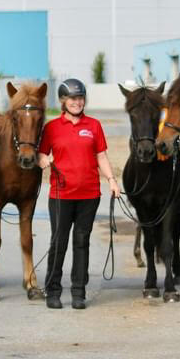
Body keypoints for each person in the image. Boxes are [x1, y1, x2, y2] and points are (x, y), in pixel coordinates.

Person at [37, 78, 121, 310]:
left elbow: (101, 156)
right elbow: (40, 154)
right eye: (72, 98)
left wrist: (112, 181)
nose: (77, 102)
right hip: (61, 195)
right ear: (63, 101)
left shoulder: (93, 125)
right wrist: (43, 159)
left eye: (80, 98)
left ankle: (78, 292)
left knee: (81, 242)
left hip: (89, 194)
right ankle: (53, 291)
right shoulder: (51, 128)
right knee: (58, 242)